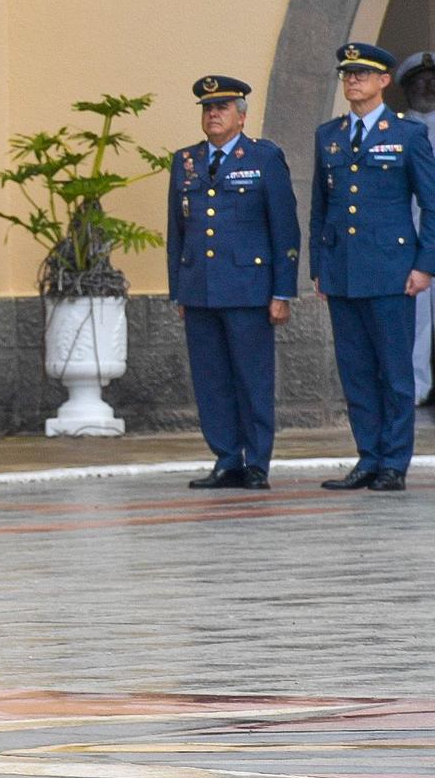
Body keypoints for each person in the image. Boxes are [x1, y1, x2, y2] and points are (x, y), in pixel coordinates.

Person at [310, 42, 435, 492]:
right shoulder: (330, 135)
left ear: (384, 81)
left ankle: (394, 463)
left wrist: (425, 265)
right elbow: (321, 208)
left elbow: (432, 203)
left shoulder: (407, 134)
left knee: (394, 372)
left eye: (362, 74)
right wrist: (319, 267)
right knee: (357, 372)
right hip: (343, 271)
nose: (353, 81)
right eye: (347, 75)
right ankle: (368, 457)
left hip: (391, 271)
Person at [165, 76, 299, 491]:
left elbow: (284, 229)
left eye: (221, 108)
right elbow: (177, 231)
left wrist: (282, 291)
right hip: (200, 288)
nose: (213, 115)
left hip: (247, 289)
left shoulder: (263, 158)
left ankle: (256, 462)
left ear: (241, 116)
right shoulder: (185, 161)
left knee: (252, 377)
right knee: (211, 380)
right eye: (207, 108)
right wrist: (179, 289)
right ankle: (226, 458)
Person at [397, 51, 435, 405]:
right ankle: (418, 387)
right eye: (418, 81)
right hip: (413, 235)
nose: (426, 85)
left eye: (432, 79)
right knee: (419, 318)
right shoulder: (397, 131)